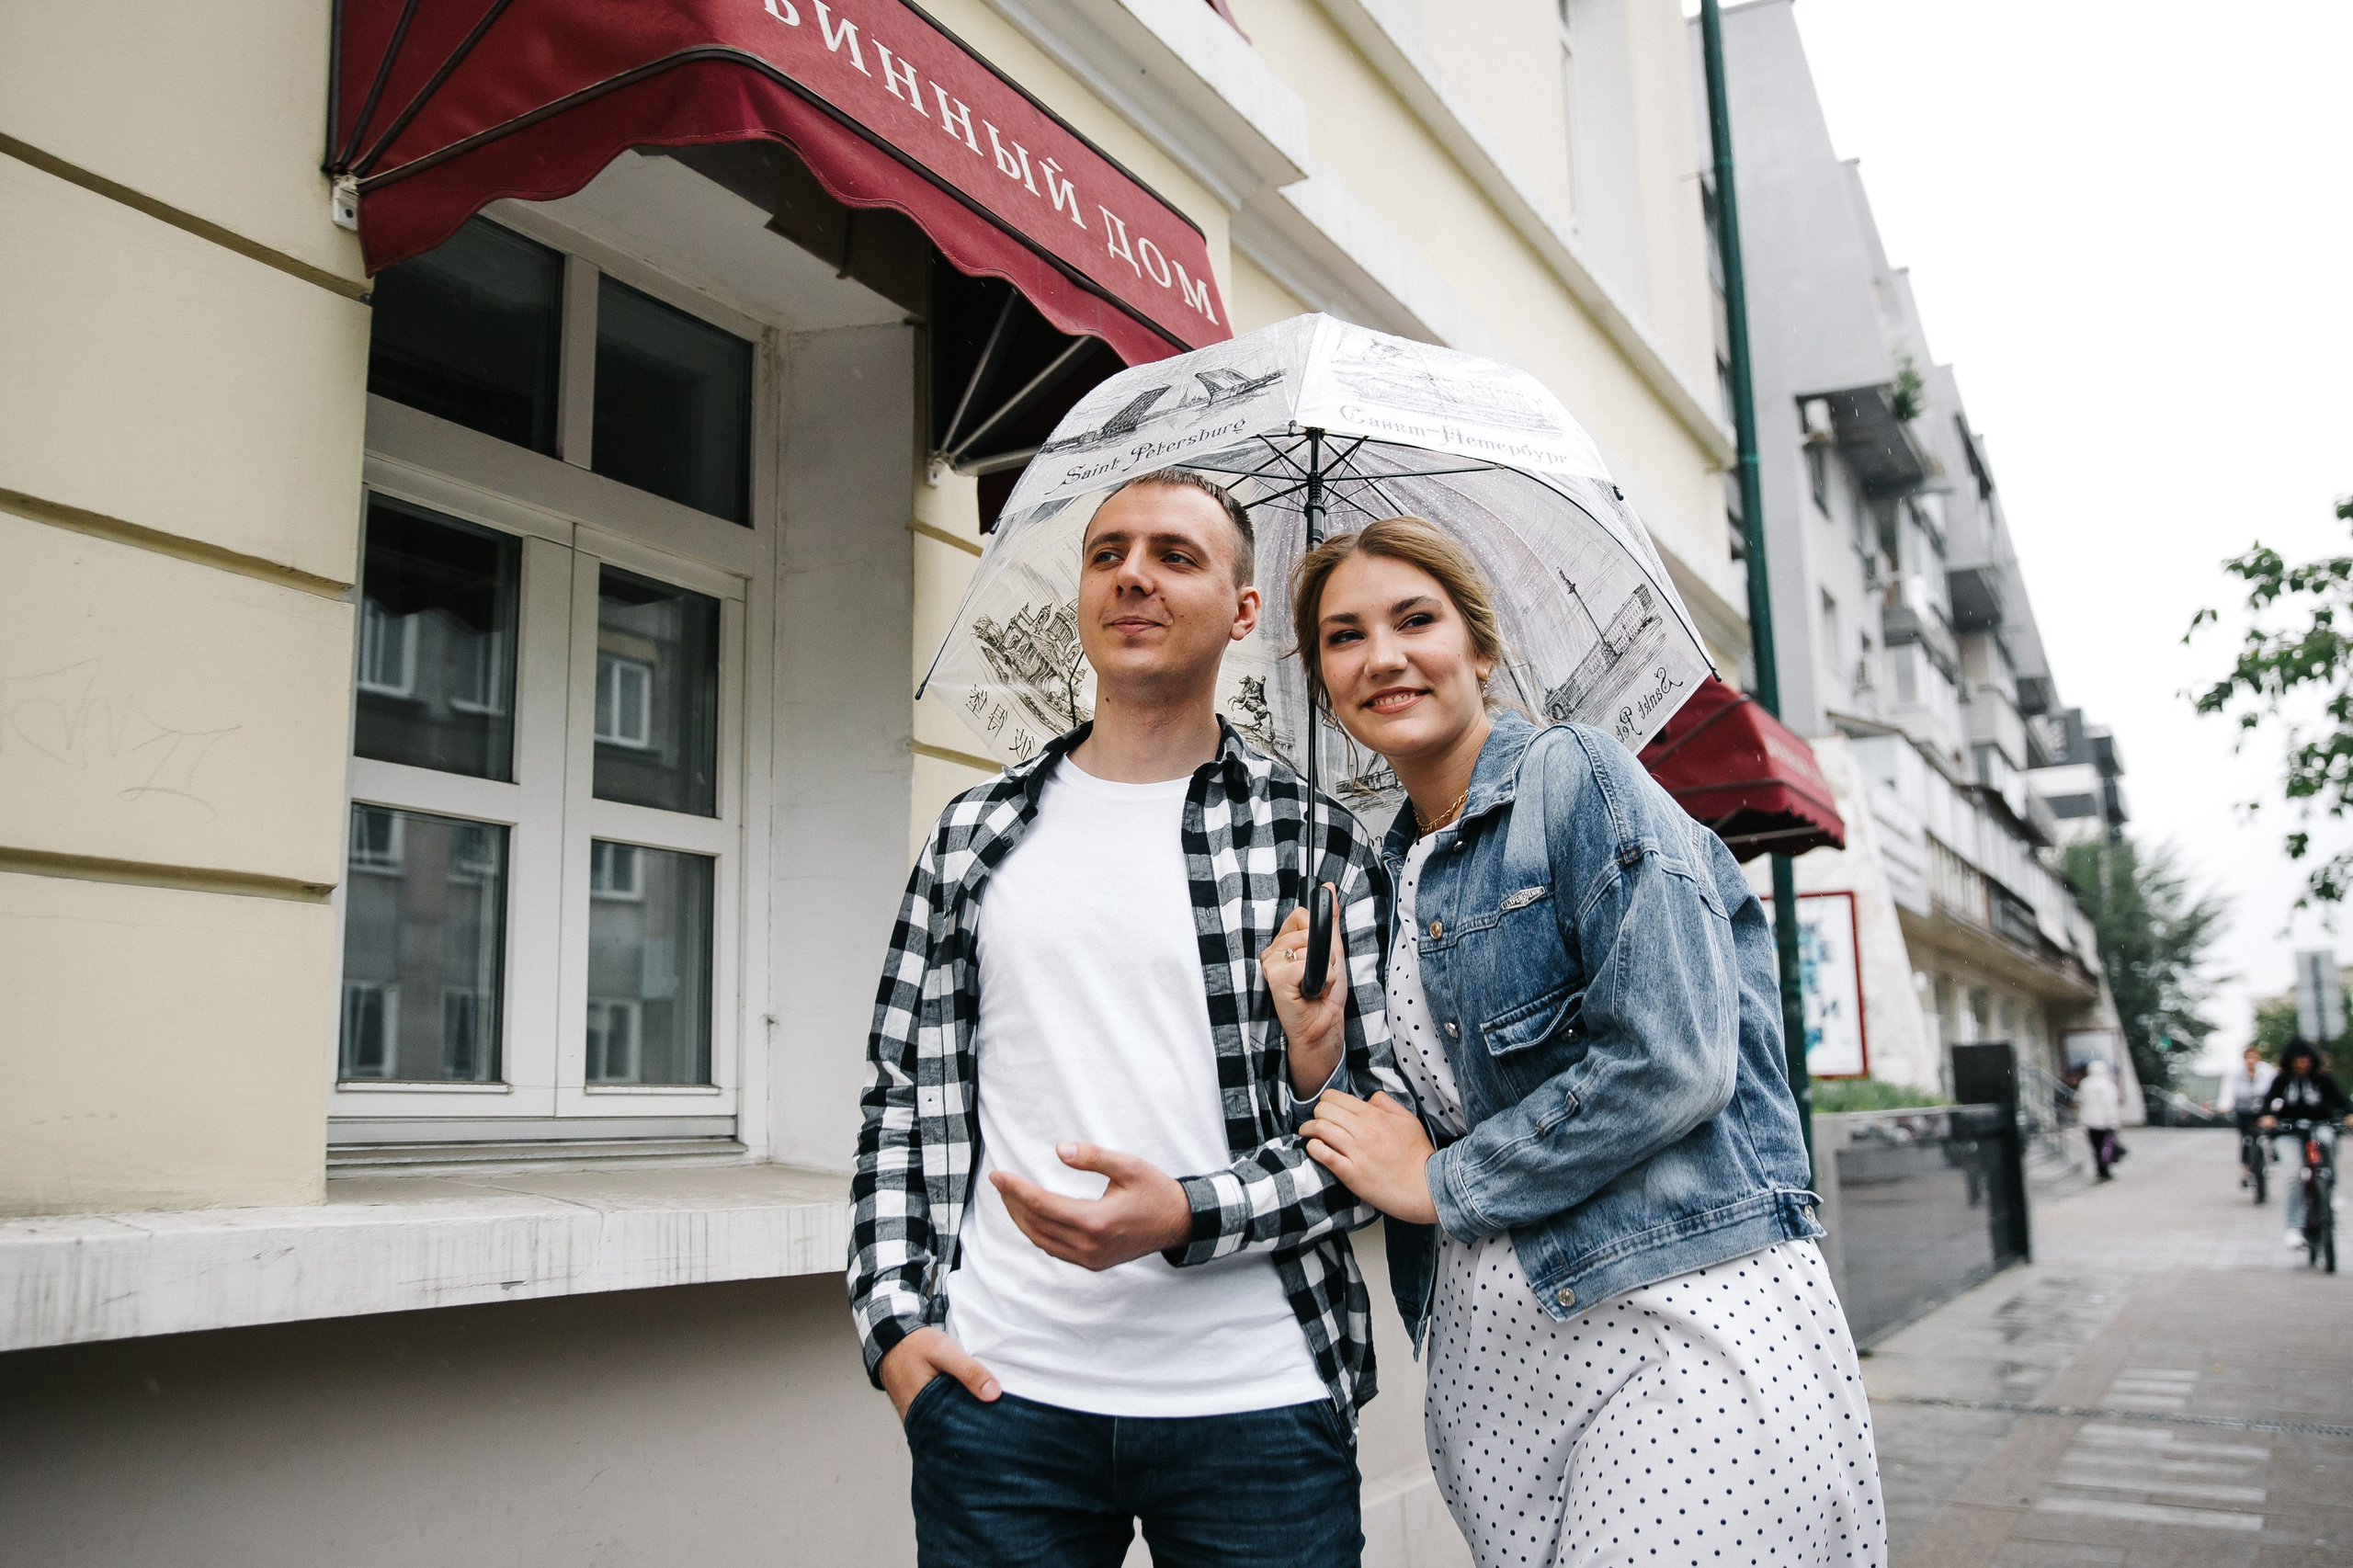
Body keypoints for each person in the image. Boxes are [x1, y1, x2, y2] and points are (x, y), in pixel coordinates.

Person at [1268, 516, 1886, 1568]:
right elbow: (1414, 1124)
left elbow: (1674, 1058)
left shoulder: (1578, 777)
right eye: (1343, 635)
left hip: (1676, 1324)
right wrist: (1316, 1048)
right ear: (1325, 683)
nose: (1381, 655)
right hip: (1497, 1365)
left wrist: (1444, 1183)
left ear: (1480, 646)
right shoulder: (1388, 872)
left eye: (1414, 619)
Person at [849, 470, 1402, 1567]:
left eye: (1175, 556)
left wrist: (1187, 1211)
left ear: (1243, 610)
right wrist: (893, 1328)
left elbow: (1380, 1131)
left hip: (1258, 1399)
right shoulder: (974, 832)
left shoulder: (1316, 845)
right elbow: (899, 1094)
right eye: (1108, 554)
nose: (1132, 576)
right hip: (1000, 1397)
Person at [2255, 1037, 2353, 1247]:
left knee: (2327, 1140)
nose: (2302, 1063)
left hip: (2319, 1125)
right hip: (2289, 1131)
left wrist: (2349, 1114)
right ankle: (2294, 1227)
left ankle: (2331, 1187)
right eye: (2298, 1059)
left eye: (2306, 1059)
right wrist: (2266, 1116)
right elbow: (2267, 1102)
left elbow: (2341, 1100)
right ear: (2289, 1061)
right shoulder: (2281, 1080)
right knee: (2293, 1174)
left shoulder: (2323, 1079)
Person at [2219, 1045, 2277, 1193]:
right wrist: (2224, 1105)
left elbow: (2275, 1090)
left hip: (2262, 1110)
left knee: (2268, 1134)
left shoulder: (2267, 1071)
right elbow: (2228, 1091)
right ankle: (2247, 1170)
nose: (2251, 1061)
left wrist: (2277, 1105)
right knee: (2246, 1139)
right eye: (2248, 1057)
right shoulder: (2235, 1074)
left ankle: (2270, 1157)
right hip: (2243, 1111)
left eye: (2253, 1057)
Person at [2076, 1059, 2121, 1181]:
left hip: (2090, 1122)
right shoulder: (2107, 1084)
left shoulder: (2085, 1084)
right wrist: (2113, 1121)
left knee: (2095, 1147)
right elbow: (2110, 1104)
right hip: (2105, 1122)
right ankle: (2105, 1170)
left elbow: (2080, 1101)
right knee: (2106, 1147)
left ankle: (2099, 1169)